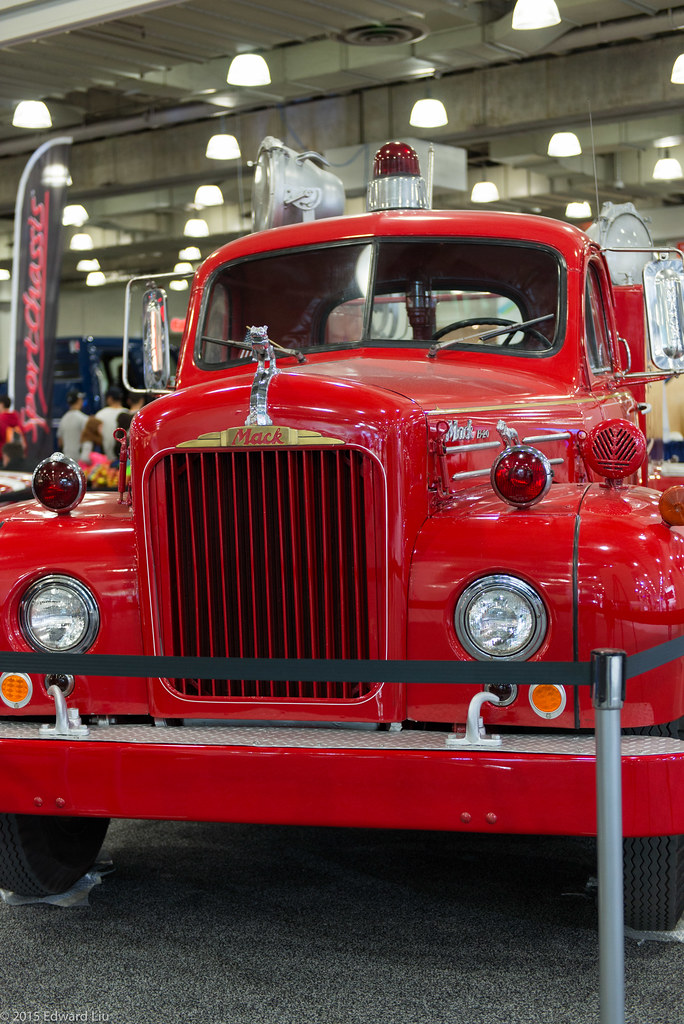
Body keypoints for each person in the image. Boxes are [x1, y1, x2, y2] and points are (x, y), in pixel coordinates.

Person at [95, 385, 125, 461]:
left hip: (105, 460)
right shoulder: (127, 413)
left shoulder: (100, 414)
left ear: (109, 398)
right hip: (124, 458)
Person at [57, 389, 88, 463]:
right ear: (79, 401)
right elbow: (87, 439)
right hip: (80, 461)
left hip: (67, 460)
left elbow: (60, 442)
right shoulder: (83, 418)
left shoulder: (63, 419)